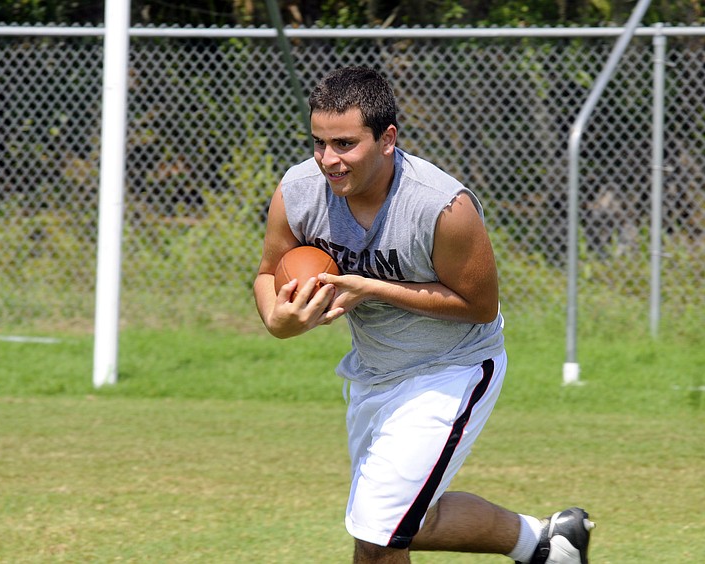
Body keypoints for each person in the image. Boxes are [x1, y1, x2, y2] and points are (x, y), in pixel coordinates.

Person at [253, 66, 594, 564]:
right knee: (411, 519)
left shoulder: (441, 206)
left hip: (452, 370)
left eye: (345, 144)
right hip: (373, 373)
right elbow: (268, 272)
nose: (329, 160)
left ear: (387, 138)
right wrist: (277, 321)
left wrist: (373, 289)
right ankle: (547, 544)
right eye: (319, 143)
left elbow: (480, 306)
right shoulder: (299, 191)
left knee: (378, 535)